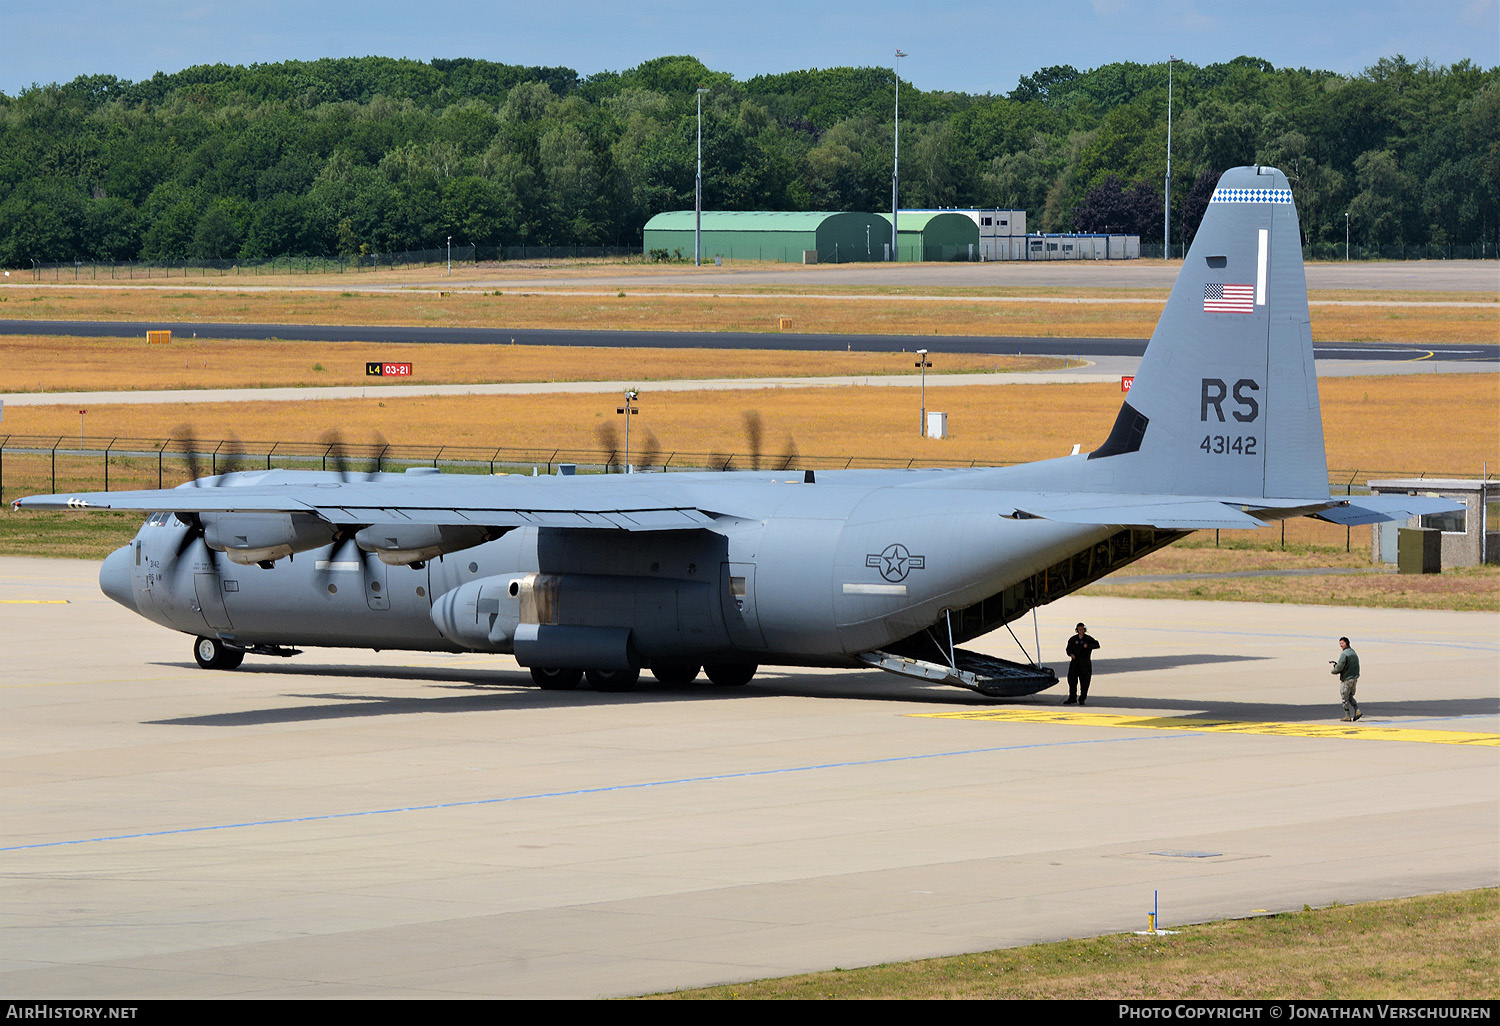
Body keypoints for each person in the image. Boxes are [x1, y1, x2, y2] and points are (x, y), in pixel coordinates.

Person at [1064, 622, 1100, 705]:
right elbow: (1068, 649)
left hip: (1085, 663)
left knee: (1084, 681)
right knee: (1072, 680)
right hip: (1075, 663)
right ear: (1077, 630)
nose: (1081, 631)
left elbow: (1097, 645)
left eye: (1083, 629)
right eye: (1080, 629)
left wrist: (1088, 646)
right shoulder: (1073, 639)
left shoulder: (1088, 639)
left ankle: (1082, 698)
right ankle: (1072, 697)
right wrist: (1070, 654)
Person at [1331, 637, 1361, 721]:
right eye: (1340, 643)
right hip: (1354, 678)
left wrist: (1334, 670)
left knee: (1344, 697)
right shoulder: (1352, 652)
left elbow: (1340, 666)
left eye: (1342, 643)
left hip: (1347, 679)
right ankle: (1357, 710)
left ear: (1347, 643)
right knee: (1350, 696)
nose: (1341, 645)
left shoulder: (1345, 654)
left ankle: (1347, 716)